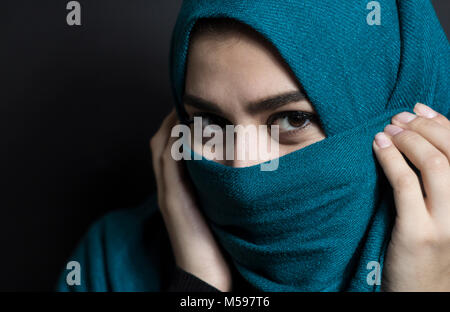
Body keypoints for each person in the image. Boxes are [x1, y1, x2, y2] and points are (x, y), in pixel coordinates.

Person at [57, 0, 449, 292]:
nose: (243, 169)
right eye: (211, 123)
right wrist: (197, 285)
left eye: (292, 119)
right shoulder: (110, 265)